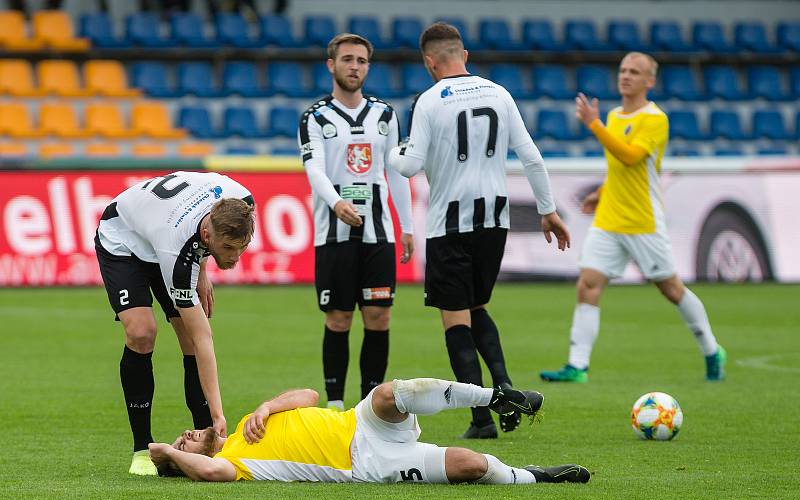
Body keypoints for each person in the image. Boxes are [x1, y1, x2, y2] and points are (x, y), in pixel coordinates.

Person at [387, 22, 570, 439]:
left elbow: (410, 165)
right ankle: (505, 386)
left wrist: (391, 151)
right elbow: (531, 156)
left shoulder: (430, 101)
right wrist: (548, 210)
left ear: (429, 63)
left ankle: (483, 417)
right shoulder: (499, 92)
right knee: (476, 306)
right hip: (495, 220)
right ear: (464, 55)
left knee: (455, 320)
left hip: (450, 223)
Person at [539, 52, 726, 384]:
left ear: (649, 81)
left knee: (671, 289)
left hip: (643, 220)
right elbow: (619, 168)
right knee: (588, 284)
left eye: (635, 72)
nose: (625, 76)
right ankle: (577, 366)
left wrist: (593, 124)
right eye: (623, 70)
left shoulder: (655, 119)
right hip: (610, 219)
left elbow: (630, 157)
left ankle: (712, 350)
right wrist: (602, 191)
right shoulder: (613, 115)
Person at [95, 171, 255, 475]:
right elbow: (203, 337)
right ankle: (142, 449)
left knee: (185, 333)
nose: (235, 259)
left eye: (242, 248)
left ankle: (205, 437)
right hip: (125, 239)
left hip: (167, 228)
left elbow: (208, 234)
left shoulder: (243, 202)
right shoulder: (176, 250)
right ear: (208, 236)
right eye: (229, 250)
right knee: (143, 333)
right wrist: (220, 412)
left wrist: (203, 268)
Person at [148, 378, 590, 485]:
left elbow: (308, 393)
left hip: (357, 422)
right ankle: (532, 476)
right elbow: (211, 475)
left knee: (386, 393)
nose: (187, 433)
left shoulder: (249, 422)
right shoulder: (230, 462)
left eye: (183, 434)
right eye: (184, 441)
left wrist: (267, 404)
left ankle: (493, 397)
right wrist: (168, 452)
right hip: (367, 463)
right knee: (470, 465)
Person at [298, 33, 414, 411]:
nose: (354, 66)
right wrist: (334, 203)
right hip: (333, 233)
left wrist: (407, 225)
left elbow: (396, 173)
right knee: (339, 316)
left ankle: (370, 404)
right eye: (347, 59)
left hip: (378, 233)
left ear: (368, 66)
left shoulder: (385, 115)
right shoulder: (315, 117)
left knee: (379, 316)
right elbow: (313, 169)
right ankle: (334, 403)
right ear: (331, 65)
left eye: (361, 60)